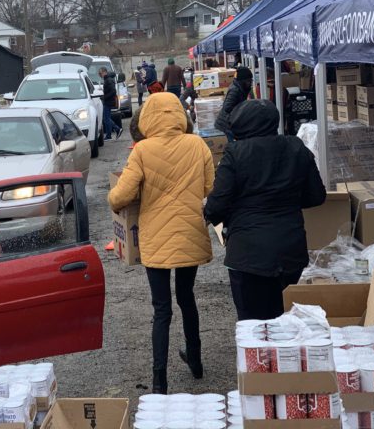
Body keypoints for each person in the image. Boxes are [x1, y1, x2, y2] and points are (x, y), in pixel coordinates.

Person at [108, 93, 214, 394]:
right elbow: (210, 188)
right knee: (187, 297)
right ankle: (195, 361)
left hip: (155, 238)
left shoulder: (142, 150)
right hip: (191, 231)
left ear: (148, 118)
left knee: (161, 309)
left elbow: (120, 196)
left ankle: (159, 381)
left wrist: (113, 198)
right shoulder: (198, 144)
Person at [204, 100, 326, 321]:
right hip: (290, 247)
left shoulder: (236, 153)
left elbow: (216, 205)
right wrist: (287, 202)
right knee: (288, 320)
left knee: (253, 325)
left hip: (248, 252)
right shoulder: (296, 147)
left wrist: (215, 215)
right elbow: (317, 196)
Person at [215, 66, 253, 141]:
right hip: (227, 124)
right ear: (243, 80)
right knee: (234, 146)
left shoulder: (241, 87)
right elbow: (227, 107)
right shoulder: (235, 90)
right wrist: (242, 110)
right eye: (249, 81)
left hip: (231, 123)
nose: (250, 83)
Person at [99, 67, 123, 140]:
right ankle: (110, 135)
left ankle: (117, 129)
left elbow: (113, 91)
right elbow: (110, 90)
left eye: (100, 73)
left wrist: (104, 97)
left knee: (106, 119)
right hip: (108, 100)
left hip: (108, 101)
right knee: (107, 118)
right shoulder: (108, 79)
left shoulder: (108, 80)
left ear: (104, 72)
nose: (100, 75)